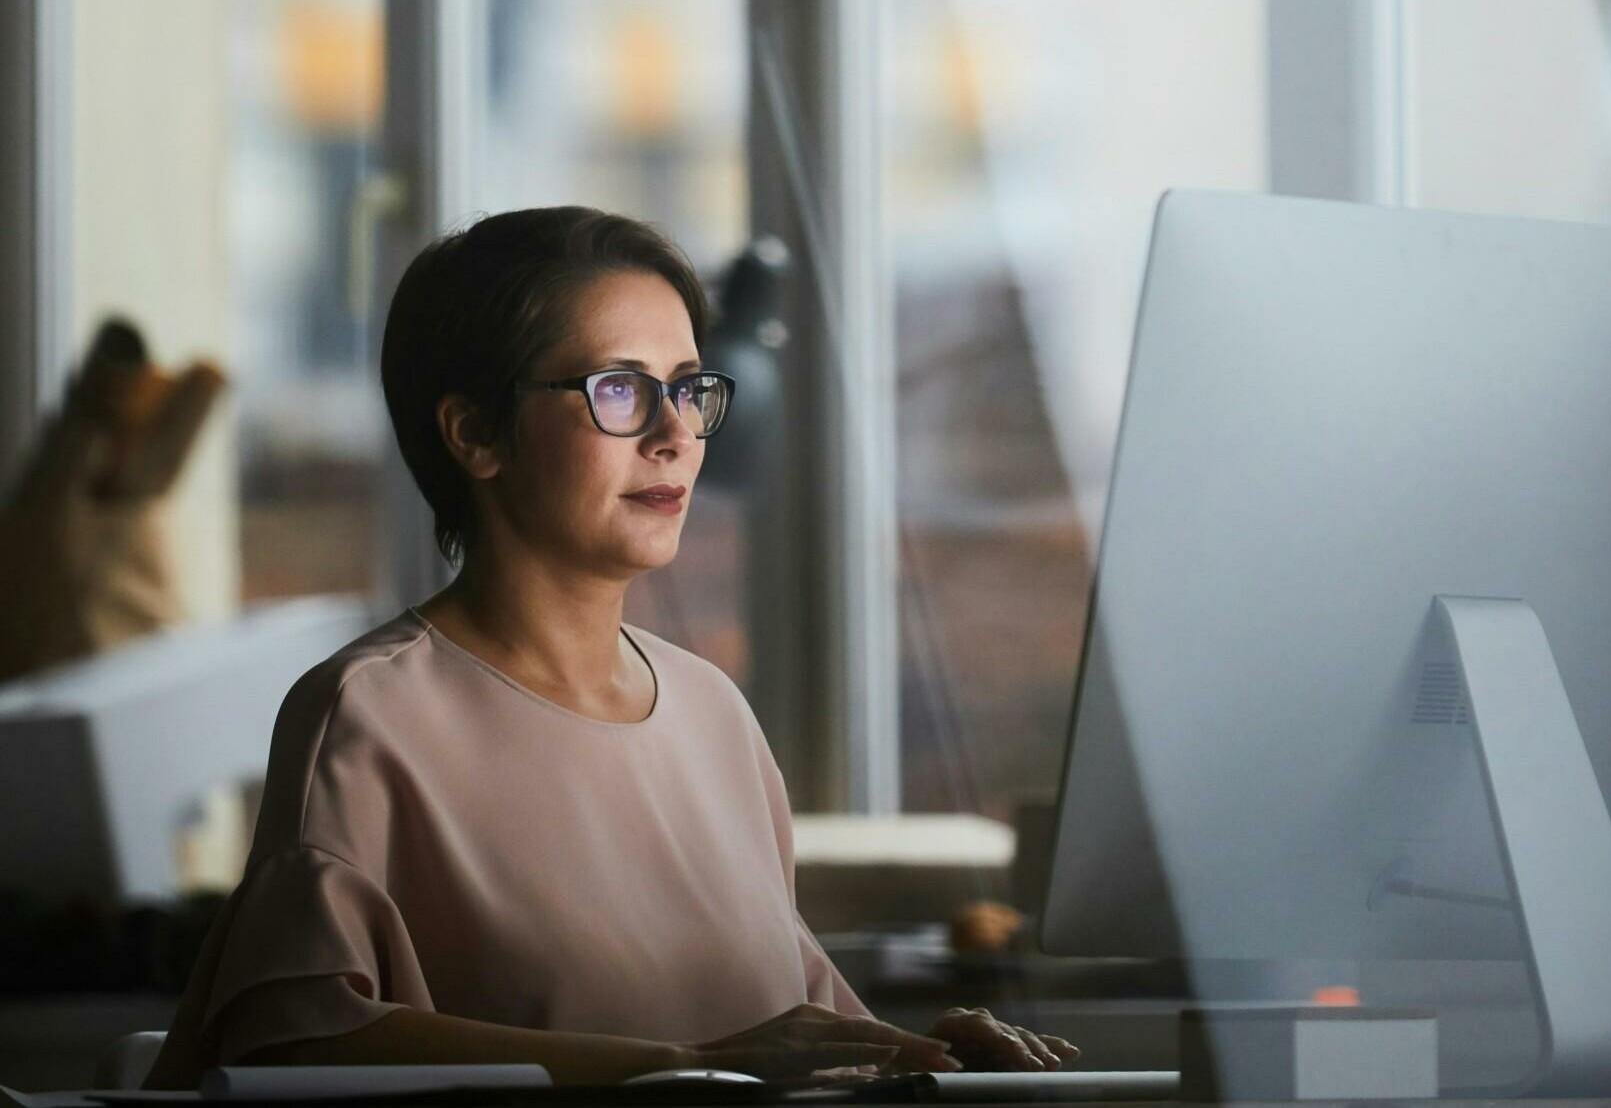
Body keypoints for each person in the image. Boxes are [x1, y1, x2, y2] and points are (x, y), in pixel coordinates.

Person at [147, 208, 1077, 1087]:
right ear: (474, 433)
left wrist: (926, 1055)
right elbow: (292, 1040)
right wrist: (679, 1064)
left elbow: (791, 1031)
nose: (676, 433)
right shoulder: (367, 716)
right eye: (621, 390)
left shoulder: (713, 711)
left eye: (687, 388)